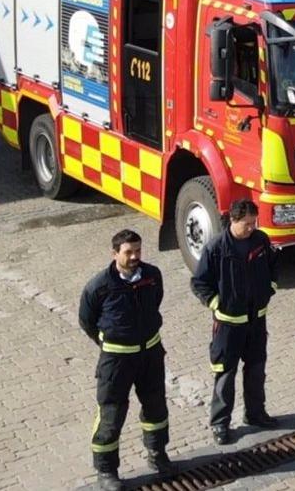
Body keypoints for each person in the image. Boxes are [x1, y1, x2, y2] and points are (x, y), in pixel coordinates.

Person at [77, 229, 170, 491]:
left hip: (150, 355)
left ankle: (157, 455)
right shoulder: (99, 286)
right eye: (128, 252)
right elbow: (86, 320)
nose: (134, 256)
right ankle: (106, 471)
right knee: (111, 414)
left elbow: (157, 303)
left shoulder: (152, 276)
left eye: (138, 250)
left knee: (156, 407)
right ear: (115, 253)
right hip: (116, 361)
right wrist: (108, 341)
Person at [190, 199, 278, 446]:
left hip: (256, 321)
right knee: (225, 376)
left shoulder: (261, 241)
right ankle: (220, 423)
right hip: (228, 326)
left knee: (256, 370)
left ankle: (255, 414)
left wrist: (270, 288)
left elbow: (273, 267)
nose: (251, 228)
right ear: (233, 220)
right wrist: (217, 303)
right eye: (247, 224)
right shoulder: (216, 248)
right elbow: (199, 283)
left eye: (254, 223)